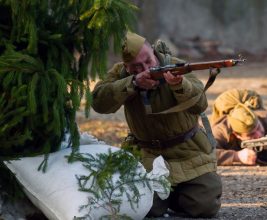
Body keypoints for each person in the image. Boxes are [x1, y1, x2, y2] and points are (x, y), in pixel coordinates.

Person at [91, 32, 222, 218]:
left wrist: (179, 85)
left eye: (148, 61)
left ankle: (176, 195)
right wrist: (133, 83)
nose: (145, 68)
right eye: (136, 67)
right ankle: (165, 197)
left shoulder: (177, 66)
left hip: (188, 151)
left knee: (204, 207)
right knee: (145, 208)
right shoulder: (120, 73)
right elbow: (98, 103)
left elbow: (200, 105)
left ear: (153, 51)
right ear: (126, 67)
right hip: (146, 154)